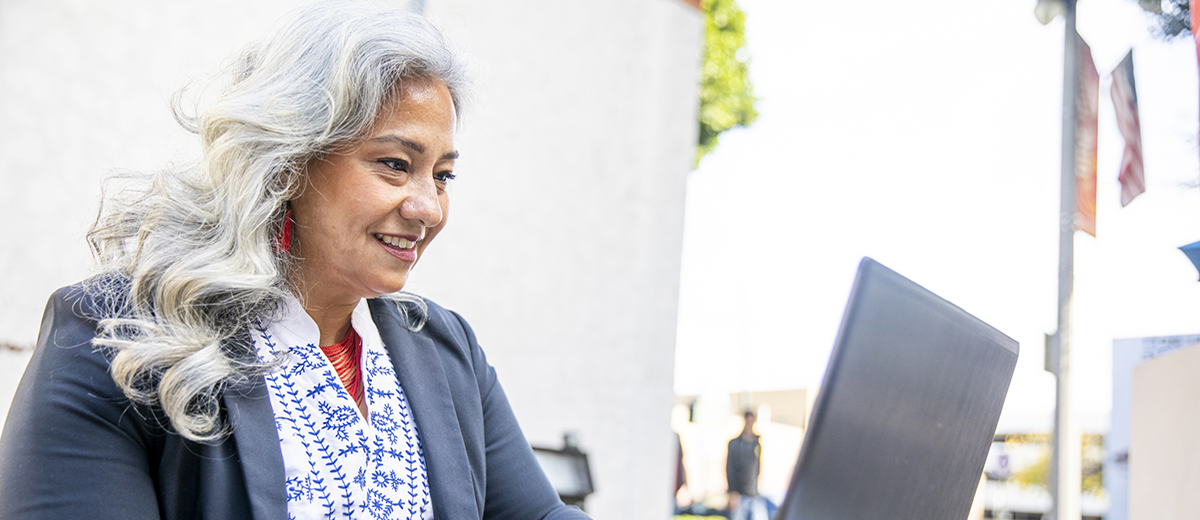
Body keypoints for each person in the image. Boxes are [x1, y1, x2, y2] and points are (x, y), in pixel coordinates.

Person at [0, 3, 591, 519]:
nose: (428, 208)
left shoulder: (444, 347)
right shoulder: (112, 340)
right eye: (394, 164)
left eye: (443, 176)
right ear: (287, 163)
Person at [726, 410, 767, 520]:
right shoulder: (735, 444)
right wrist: (732, 491)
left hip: (753, 493)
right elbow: (730, 468)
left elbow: (757, 467)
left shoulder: (756, 443)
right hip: (740, 493)